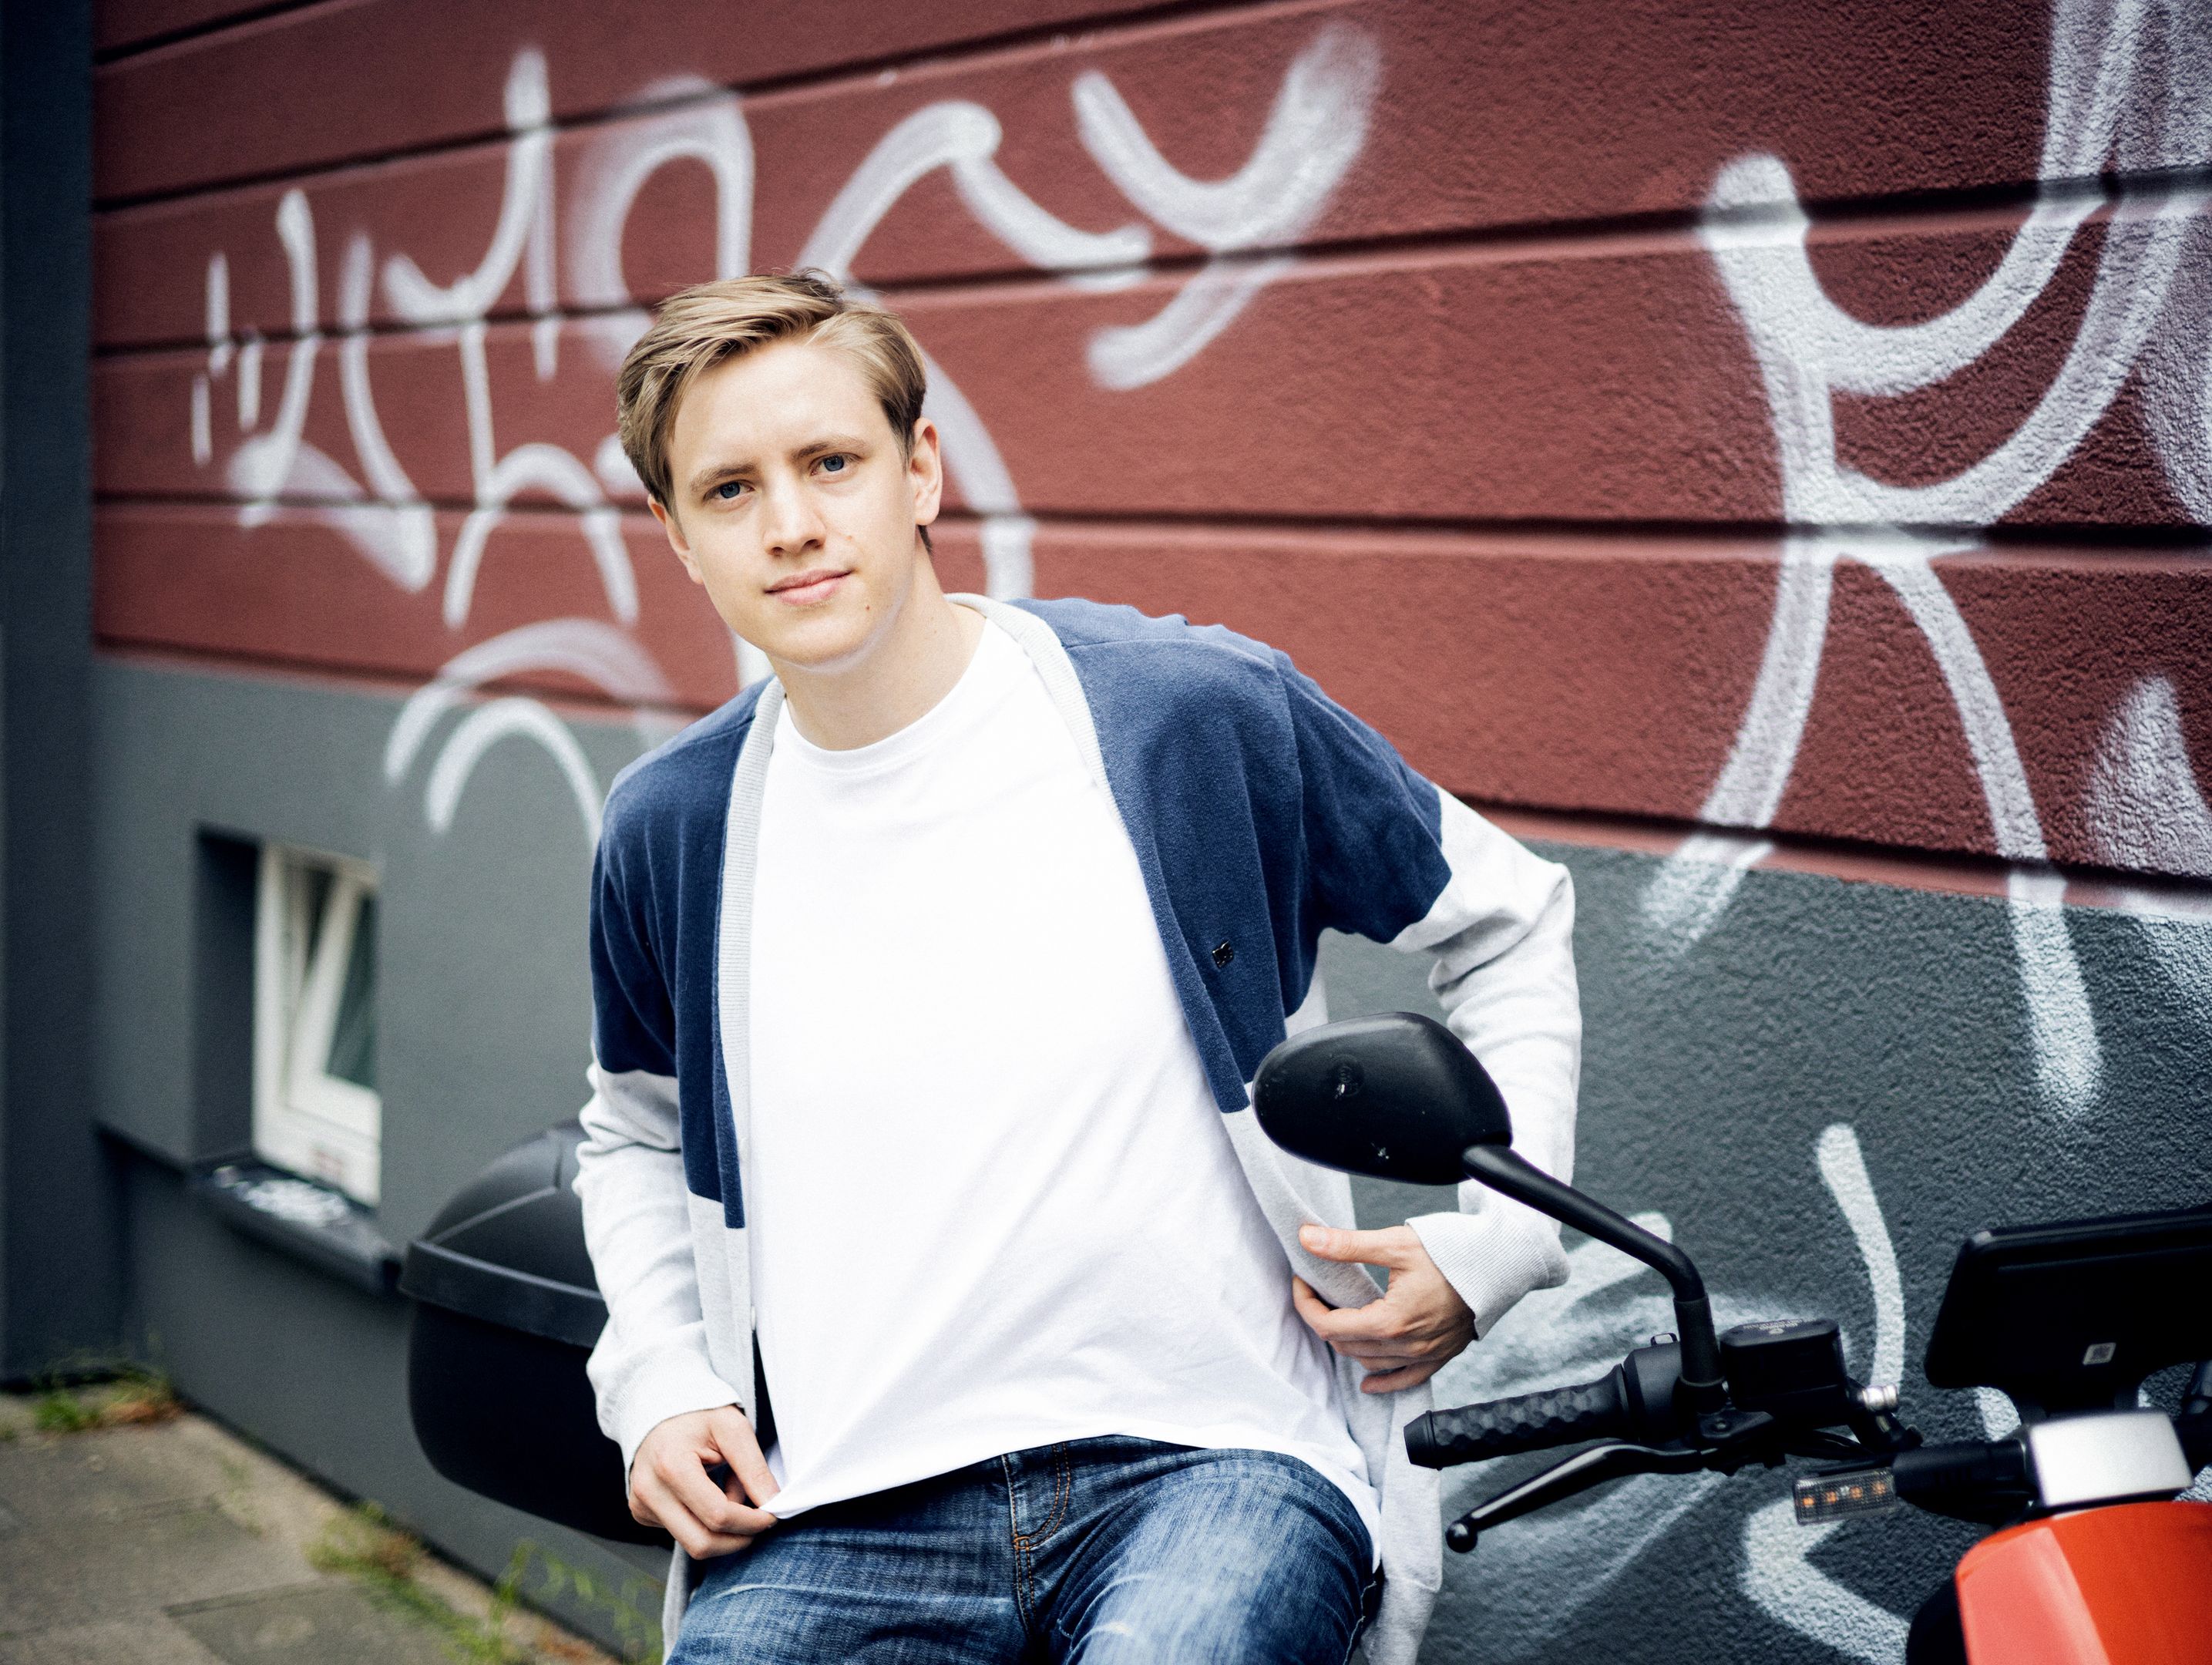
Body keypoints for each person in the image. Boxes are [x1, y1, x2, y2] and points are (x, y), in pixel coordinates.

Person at [575, 271, 1581, 1665]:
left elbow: (1505, 919)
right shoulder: (674, 826)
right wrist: (658, 1379)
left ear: (920, 470)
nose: (791, 523)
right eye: (730, 489)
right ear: (676, 534)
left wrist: (1500, 1242)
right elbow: (633, 1132)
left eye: (831, 463)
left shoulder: (1187, 715)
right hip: (843, 1511)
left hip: (1215, 1466)